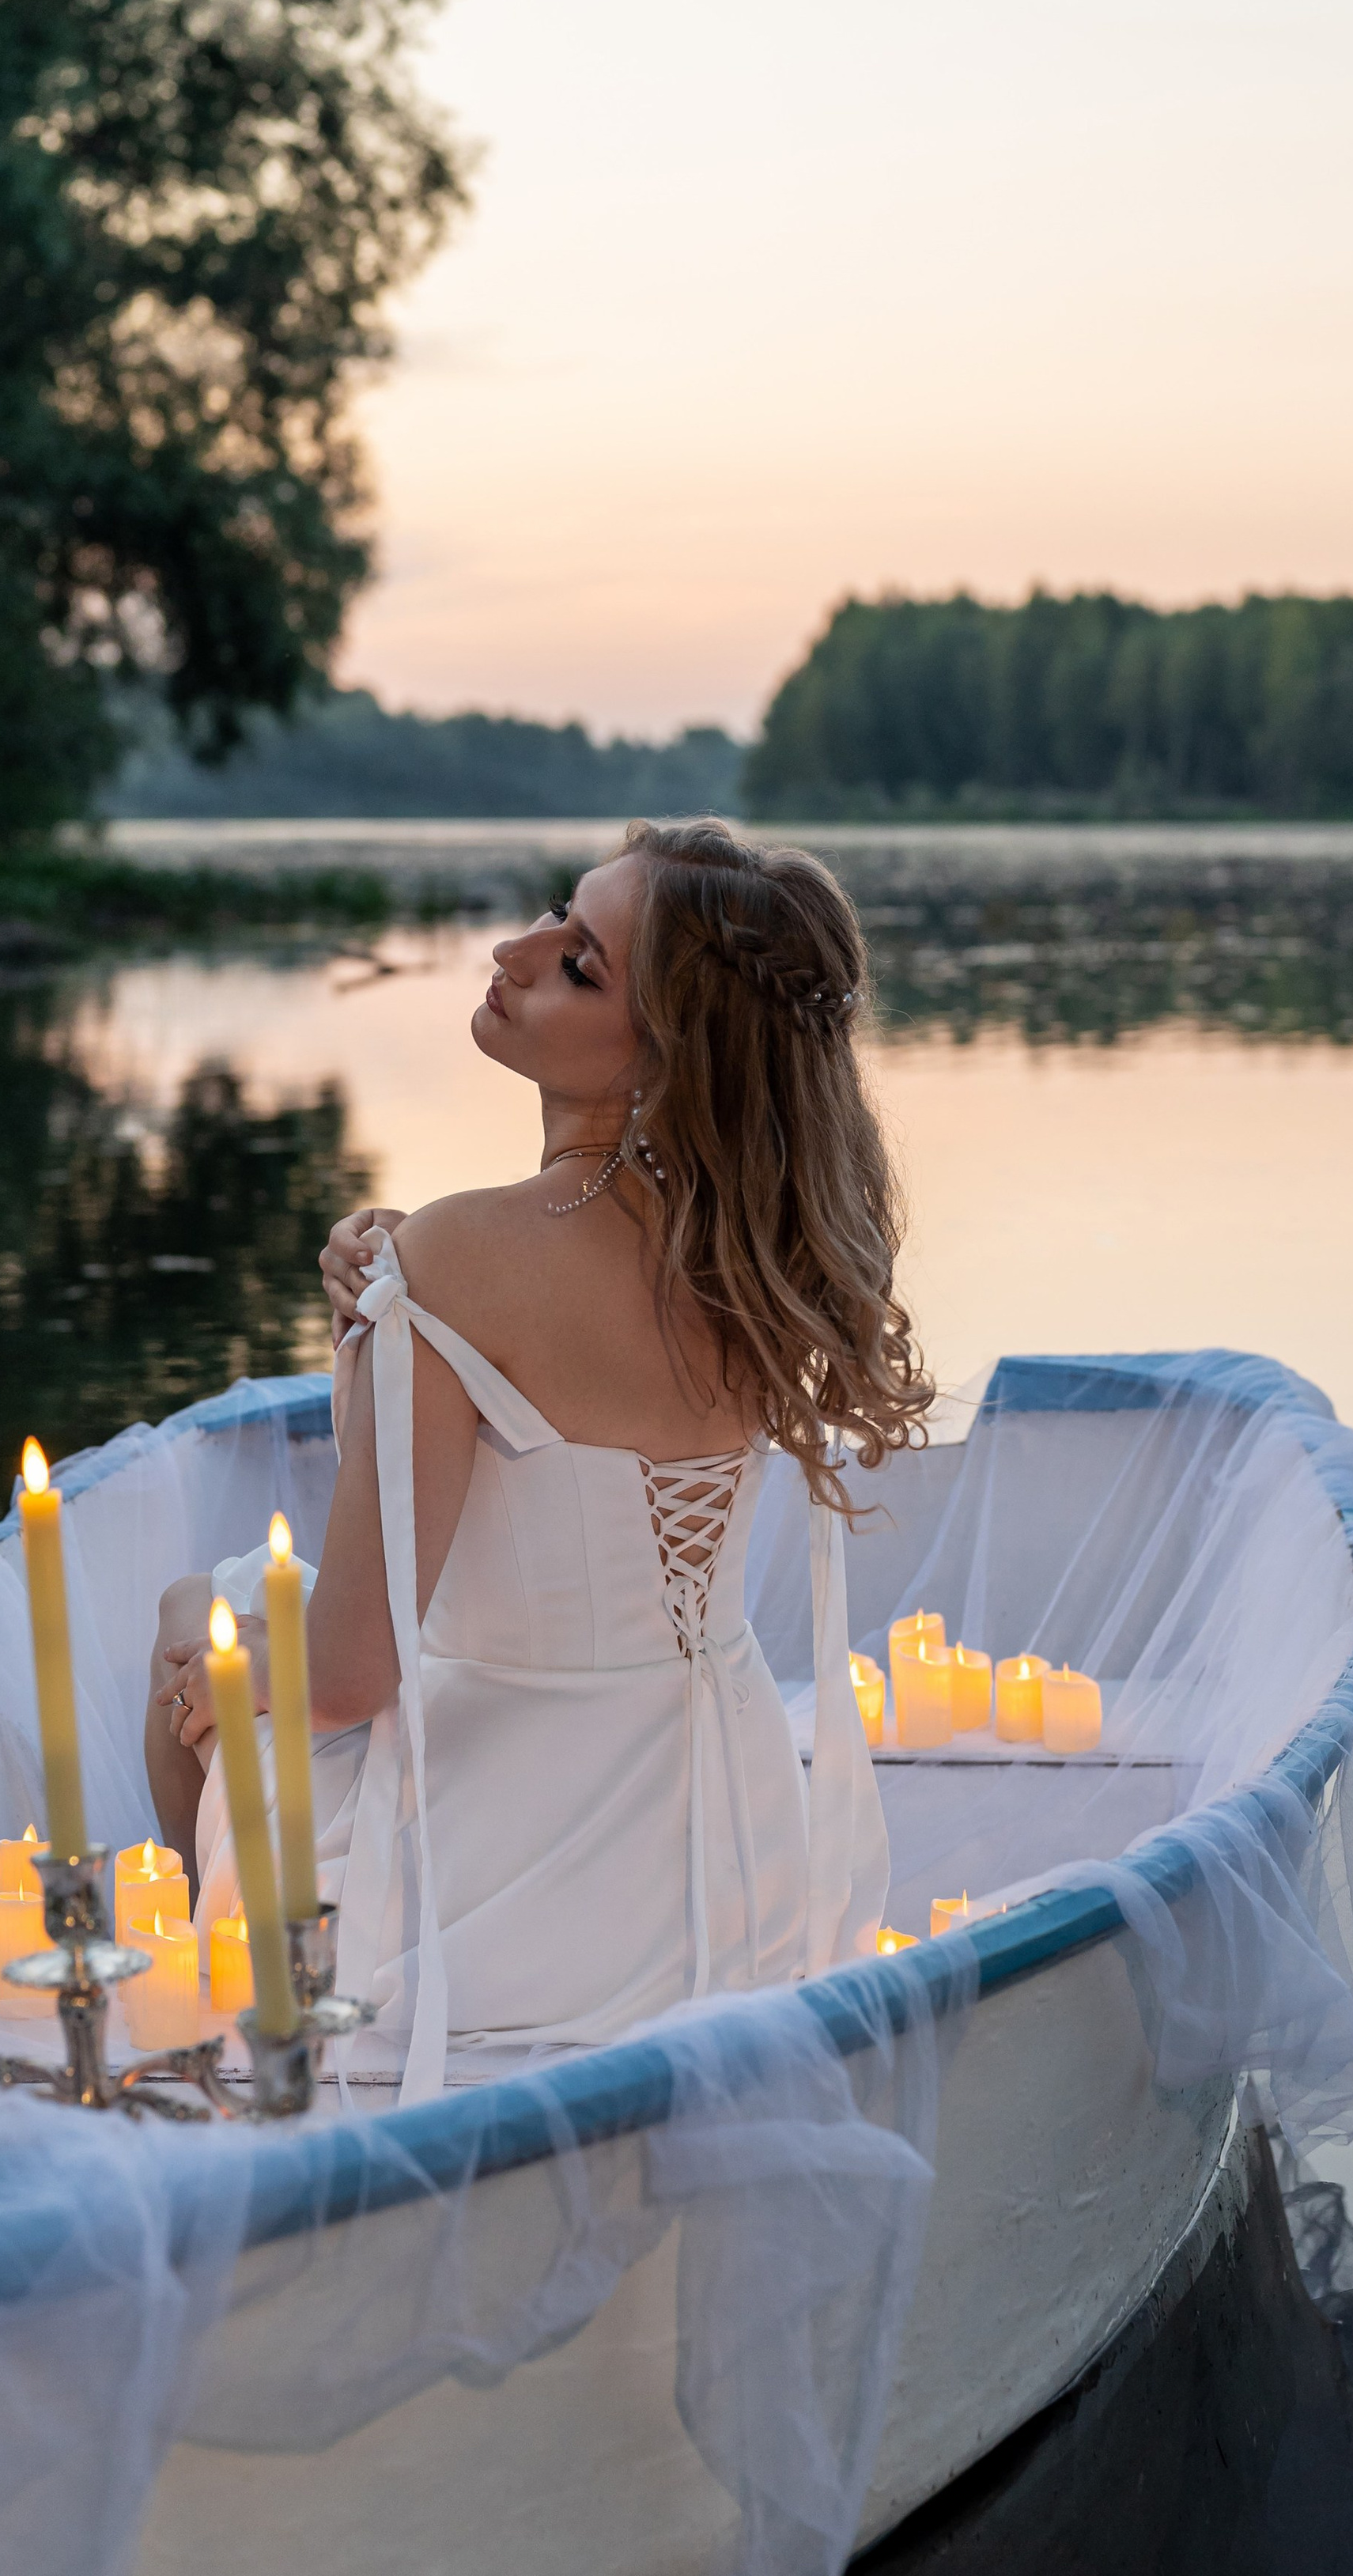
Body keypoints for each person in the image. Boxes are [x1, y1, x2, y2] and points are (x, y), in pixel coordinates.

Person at [146, 819, 932, 2097]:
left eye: (578, 963)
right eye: (556, 919)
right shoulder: (756, 1265)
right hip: (731, 1868)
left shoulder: (461, 1258)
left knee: (198, 1612)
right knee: (236, 1627)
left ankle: (249, 2028)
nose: (512, 952)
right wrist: (386, 1298)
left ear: (666, 1061)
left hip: (492, 1894)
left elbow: (349, 1671)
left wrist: (215, 1676)